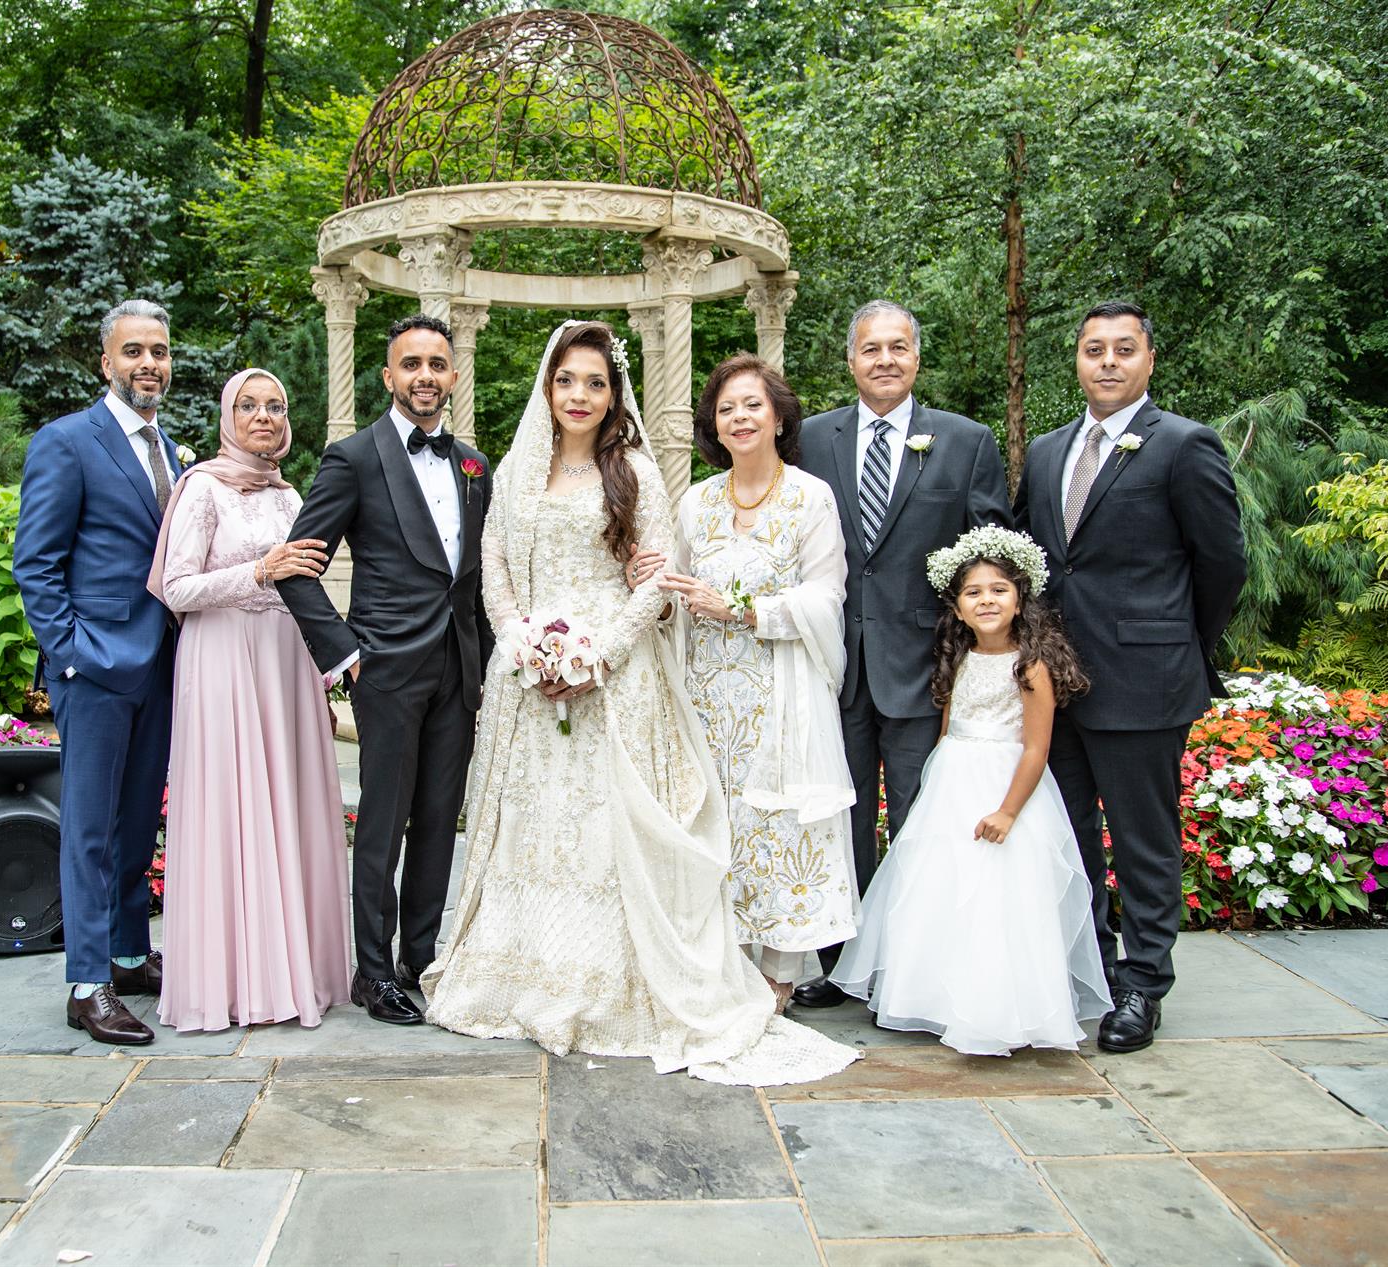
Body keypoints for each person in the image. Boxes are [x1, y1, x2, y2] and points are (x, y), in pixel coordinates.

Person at [420, 320, 858, 1087]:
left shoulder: (637, 474)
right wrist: (522, 644)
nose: (579, 394)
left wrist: (598, 655)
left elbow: (656, 579)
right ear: (548, 386)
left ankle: (616, 982)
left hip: (615, 684)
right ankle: (522, 970)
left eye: (595, 382)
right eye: (566, 380)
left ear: (613, 392)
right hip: (530, 686)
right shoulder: (516, 471)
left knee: (608, 834)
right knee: (536, 829)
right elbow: (494, 568)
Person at [1014, 300, 1246, 1053]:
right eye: (1094, 349)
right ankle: (1096, 967)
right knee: (1070, 835)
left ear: (1149, 358)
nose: (1107, 362)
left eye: (1123, 349)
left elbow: (1222, 563)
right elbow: (1033, 559)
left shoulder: (1183, 444)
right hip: (1056, 683)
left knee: (1145, 840)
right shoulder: (1047, 452)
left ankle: (1145, 983)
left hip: (1145, 680)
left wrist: (1175, 641)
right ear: (1077, 360)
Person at [789, 301, 1012, 1009]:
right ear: (850, 360)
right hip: (833, 667)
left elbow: (993, 561)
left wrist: (980, 659)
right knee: (841, 820)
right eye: (870, 348)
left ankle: (917, 969)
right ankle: (842, 964)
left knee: (921, 820)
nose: (884, 359)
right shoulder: (810, 439)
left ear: (917, 356)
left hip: (926, 668)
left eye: (897, 347)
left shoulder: (966, 441)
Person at [277, 315, 493, 1026]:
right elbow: (296, 567)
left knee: (438, 819)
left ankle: (419, 956)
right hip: (386, 670)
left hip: (458, 669)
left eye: (437, 364)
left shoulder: (474, 466)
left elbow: (476, 578)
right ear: (388, 376)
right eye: (411, 364)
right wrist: (346, 653)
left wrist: (488, 663)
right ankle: (372, 972)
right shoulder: (353, 458)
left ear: (452, 375)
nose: (425, 376)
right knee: (382, 822)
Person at [832, 528, 1111, 1054]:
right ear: (957, 609)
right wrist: (934, 785)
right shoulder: (958, 657)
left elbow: (1036, 749)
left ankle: (996, 1004)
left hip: (1003, 785)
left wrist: (1008, 811)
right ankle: (934, 997)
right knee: (940, 884)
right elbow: (947, 730)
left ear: (1020, 600)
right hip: (952, 785)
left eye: (999, 590)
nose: (987, 600)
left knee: (997, 891)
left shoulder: (1030, 666)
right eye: (973, 592)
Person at [647, 355, 856, 1014]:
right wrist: (655, 593)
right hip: (707, 694)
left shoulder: (810, 497)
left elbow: (826, 596)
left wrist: (743, 610)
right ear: (713, 424)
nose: (739, 417)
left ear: (779, 417)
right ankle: (722, 961)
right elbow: (677, 594)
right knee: (716, 822)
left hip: (781, 691)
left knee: (778, 821)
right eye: (726, 408)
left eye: (752, 405)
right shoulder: (696, 502)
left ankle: (779, 972)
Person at [146, 368, 351, 1032]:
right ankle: (232, 981)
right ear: (227, 417)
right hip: (223, 662)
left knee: (288, 805)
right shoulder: (202, 488)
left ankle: (295, 973)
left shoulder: (290, 496)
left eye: (276, 406)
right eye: (249, 405)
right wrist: (259, 571)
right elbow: (176, 587)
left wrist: (323, 672)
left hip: (286, 664)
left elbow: (306, 586)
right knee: (232, 806)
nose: (264, 416)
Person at [13, 298, 181, 1045]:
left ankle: (127, 955)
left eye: (159, 352)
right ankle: (87, 985)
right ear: (105, 361)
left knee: (138, 822)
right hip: (96, 669)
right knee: (89, 829)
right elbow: (35, 564)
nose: (149, 364)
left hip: (161, 665)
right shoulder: (67, 441)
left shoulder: (170, 450)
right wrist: (73, 655)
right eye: (134, 351)